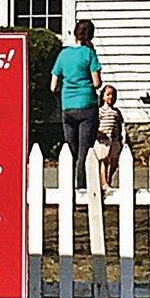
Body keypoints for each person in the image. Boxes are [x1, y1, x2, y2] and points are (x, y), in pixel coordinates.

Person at [50, 19, 102, 189]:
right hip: (87, 105)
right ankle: (81, 188)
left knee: (70, 150)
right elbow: (96, 83)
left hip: (68, 107)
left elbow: (53, 85)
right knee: (84, 151)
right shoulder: (89, 54)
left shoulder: (63, 54)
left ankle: (67, 187)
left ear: (74, 33)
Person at [95, 84, 126, 191]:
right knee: (104, 161)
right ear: (103, 96)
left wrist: (121, 138)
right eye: (108, 95)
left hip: (114, 139)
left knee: (113, 162)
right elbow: (95, 125)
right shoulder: (100, 111)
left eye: (113, 95)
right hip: (103, 140)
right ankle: (104, 183)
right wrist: (99, 133)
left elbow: (120, 125)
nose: (110, 97)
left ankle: (109, 180)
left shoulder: (116, 112)